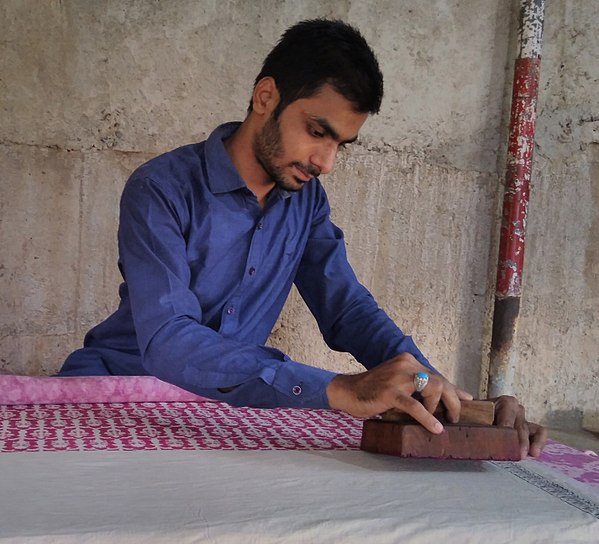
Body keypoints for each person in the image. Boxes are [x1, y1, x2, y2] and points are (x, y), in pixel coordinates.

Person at [59, 19, 546, 458]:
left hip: (224, 415)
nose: (325, 162)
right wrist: (339, 389)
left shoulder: (305, 202)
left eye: (340, 145)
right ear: (266, 97)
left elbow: (347, 309)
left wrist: (434, 387)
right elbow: (169, 341)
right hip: (118, 394)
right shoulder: (160, 188)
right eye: (317, 131)